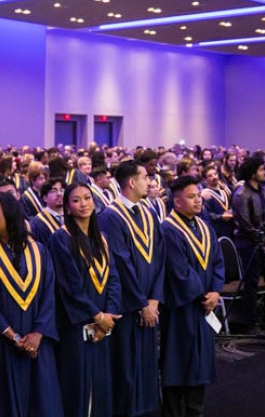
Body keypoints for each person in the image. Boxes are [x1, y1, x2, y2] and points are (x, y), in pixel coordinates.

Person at [0, 193, 62, 417]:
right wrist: (13, 336)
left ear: (10, 213)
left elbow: (48, 295)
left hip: (37, 346)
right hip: (0, 347)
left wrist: (38, 333)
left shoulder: (39, 250)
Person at [49, 182, 121, 417]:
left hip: (103, 323)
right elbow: (69, 285)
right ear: (67, 208)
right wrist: (96, 315)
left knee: (101, 382)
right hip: (77, 324)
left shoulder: (102, 237)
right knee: (78, 383)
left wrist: (109, 313)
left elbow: (113, 277)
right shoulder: (61, 238)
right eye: (76, 200)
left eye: (87, 198)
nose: (83, 204)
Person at [99, 160, 164, 417]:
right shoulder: (110, 216)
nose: (149, 182)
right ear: (131, 182)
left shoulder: (148, 213)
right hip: (127, 307)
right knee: (125, 368)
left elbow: (160, 258)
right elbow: (120, 264)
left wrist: (155, 299)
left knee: (147, 366)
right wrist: (142, 303)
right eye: (145, 177)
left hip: (149, 305)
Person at [160, 176, 224, 417]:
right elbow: (179, 271)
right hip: (182, 307)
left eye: (198, 195)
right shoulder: (168, 230)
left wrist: (216, 291)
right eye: (191, 196)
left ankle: (195, 409)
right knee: (178, 361)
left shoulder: (205, 226)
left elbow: (218, 262)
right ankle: (174, 411)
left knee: (201, 361)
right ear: (176, 202)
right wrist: (202, 296)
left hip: (204, 305)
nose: (198, 200)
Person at [232, 156, 265, 334]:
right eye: (261, 170)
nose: (264, 173)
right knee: (251, 284)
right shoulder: (241, 194)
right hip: (250, 245)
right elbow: (246, 225)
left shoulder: (264, 191)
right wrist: (263, 242)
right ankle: (251, 323)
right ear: (253, 173)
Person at [30, 178, 65, 245]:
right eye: (53, 191)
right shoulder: (37, 223)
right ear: (45, 198)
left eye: (62, 190)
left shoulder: (72, 216)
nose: (59, 194)